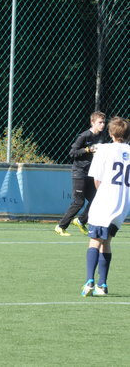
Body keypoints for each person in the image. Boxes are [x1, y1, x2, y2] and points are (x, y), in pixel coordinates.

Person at [81, 116, 130, 296]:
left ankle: (89, 281)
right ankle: (102, 284)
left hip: (106, 200)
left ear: (110, 133)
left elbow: (97, 180)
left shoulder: (104, 149)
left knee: (95, 240)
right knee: (107, 241)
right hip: (123, 203)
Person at [55, 111, 107, 236]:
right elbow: (72, 153)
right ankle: (60, 226)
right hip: (79, 172)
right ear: (92, 122)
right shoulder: (84, 136)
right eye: (100, 122)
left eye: (104, 122)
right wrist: (87, 149)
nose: (102, 125)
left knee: (97, 199)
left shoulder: (102, 136)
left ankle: (80, 221)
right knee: (79, 202)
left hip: (91, 172)